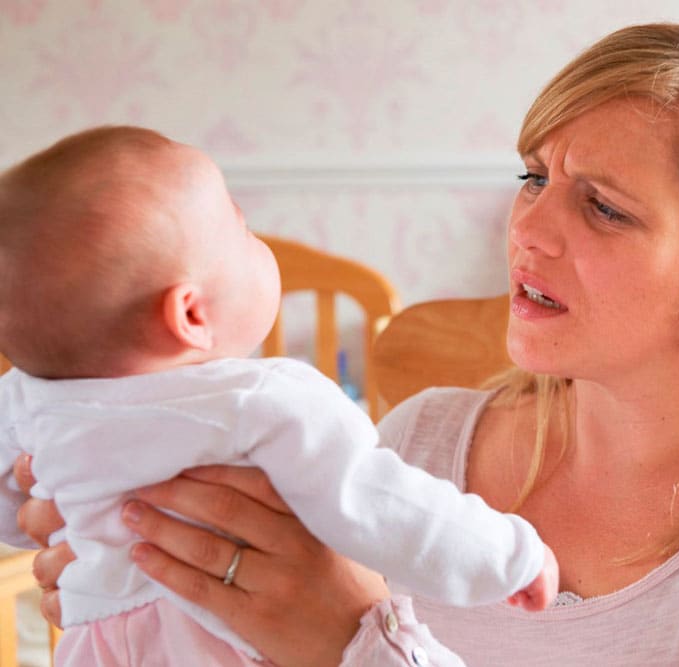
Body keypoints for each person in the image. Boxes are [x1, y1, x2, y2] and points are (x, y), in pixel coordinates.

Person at [16, 17, 679, 666]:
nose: (527, 226)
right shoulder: (421, 442)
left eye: (603, 207)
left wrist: (358, 643)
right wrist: (154, 578)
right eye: (534, 175)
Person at [0, 126, 558, 665]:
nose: (259, 243)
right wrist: (509, 556)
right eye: (244, 232)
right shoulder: (261, 402)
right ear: (191, 314)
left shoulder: (26, 398)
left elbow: (17, 512)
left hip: (91, 643)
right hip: (221, 642)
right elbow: (378, 504)